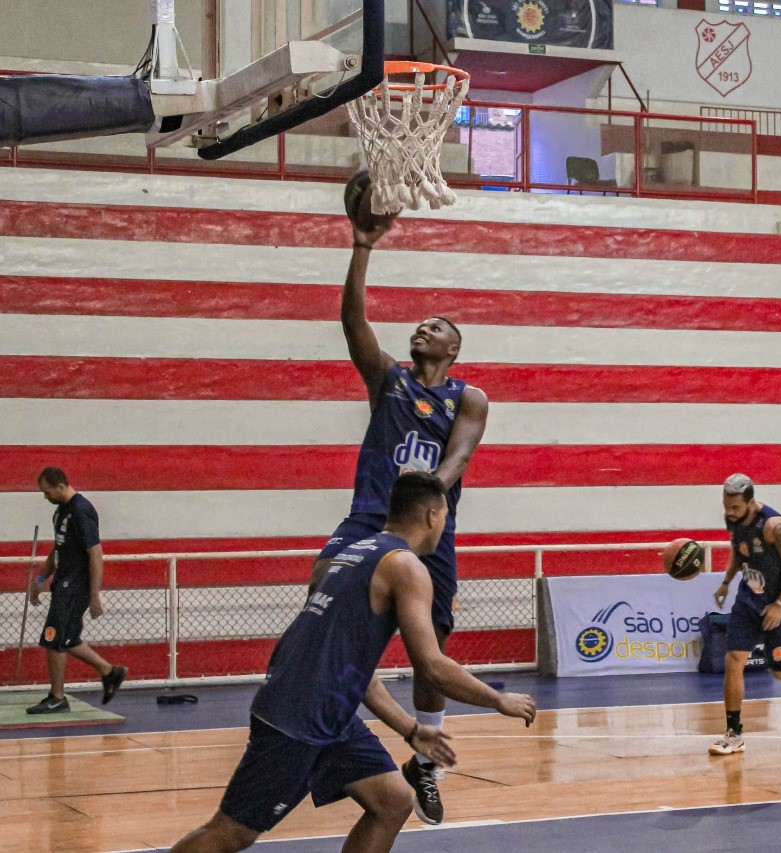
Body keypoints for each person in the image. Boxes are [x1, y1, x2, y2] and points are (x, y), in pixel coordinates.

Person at [172, 473, 536, 853]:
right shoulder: (407, 567)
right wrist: (497, 700)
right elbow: (432, 665)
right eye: (445, 516)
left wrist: (411, 731)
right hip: (299, 714)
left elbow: (357, 673)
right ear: (432, 516)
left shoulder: (358, 551)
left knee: (393, 800)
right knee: (230, 833)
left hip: (327, 711)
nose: (444, 525)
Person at [313, 205, 490, 823]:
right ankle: (324, 714)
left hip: (429, 531)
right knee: (326, 612)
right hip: (368, 519)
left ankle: (425, 761)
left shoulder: (467, 396)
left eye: (437, 325)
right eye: (419, 322)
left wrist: (420, 507)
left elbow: (458, 459)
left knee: (430, 651)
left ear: (454, 348)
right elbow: (352, 321)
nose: (424, 326)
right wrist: (362, 246)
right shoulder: (388, 381)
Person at [709, 474, 781, 755]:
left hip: (780, 603)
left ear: (751, 502)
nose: (729, 511)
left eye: (735, 506)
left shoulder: (775, 527)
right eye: (726, 505)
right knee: (734, 659)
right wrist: (727, 581)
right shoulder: (732, 519)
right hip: (748, 600)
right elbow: (739, 551)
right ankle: (734, 733)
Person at [26, 467, 126, 714]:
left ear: (60, 486)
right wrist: (41, 577)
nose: (46, 497)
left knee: (55, 638)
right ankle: (109, 672)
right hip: (62, 584)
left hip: (76, 587)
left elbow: (96, 553)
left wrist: (94, 596)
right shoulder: (61, 512)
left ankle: (58, 697)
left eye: (47, 492)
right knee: (63, 638)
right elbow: (58, 547)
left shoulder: (81, 511)